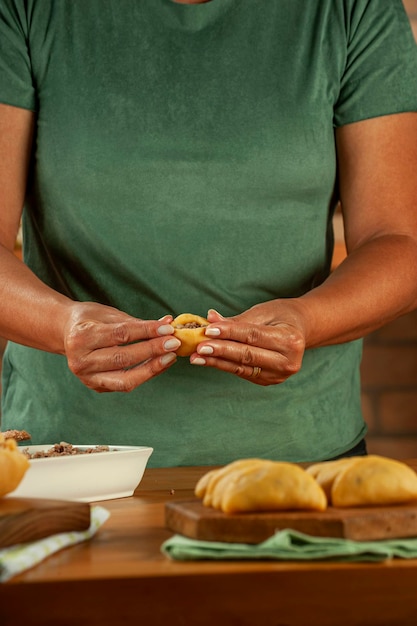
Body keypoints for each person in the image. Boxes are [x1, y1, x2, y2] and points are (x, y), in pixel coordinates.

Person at [0, 0, 416, 468]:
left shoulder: (355, 9)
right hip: (67, 457)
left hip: (302, 458)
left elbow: (400, 243)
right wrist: (63, 325)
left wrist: (307, 320)